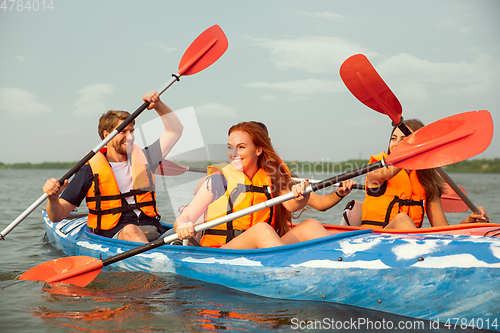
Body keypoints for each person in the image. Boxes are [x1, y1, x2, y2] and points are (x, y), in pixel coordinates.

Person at [42, 90, 183, 242]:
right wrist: (53, 198)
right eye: (123, 132)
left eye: (131, 131)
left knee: (191, 223)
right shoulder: (89, 169)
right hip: (115, 236)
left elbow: (175, 130)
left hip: (153, 230)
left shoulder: (146, 158)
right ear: (106, 135)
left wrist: (158, 105)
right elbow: (57, 216)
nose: (130, 137)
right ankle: (155, 263)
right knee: (131, 230)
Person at [173, 121, 335, 249]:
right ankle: (289, 273)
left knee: (311, 225)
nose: (233, 153)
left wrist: (302, 195)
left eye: (241, 147)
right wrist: (183, 225)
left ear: (258, 150)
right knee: (261, 229)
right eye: (230, 147)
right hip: (225, 250)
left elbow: (292, 205)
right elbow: (185, 216)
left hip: (261, 250)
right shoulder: (217, 180)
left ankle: (343, 263)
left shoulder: (272, 178)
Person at [361, 119, 489, 229]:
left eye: (404, 140)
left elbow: (441, 229)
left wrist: (469, 222)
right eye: (393, 138)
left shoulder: (426, 180)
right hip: (375, 239)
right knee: (402, 219)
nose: (396, 144)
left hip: (406, 242)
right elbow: (386, 174)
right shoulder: (376, 169)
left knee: (404, 220)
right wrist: (408, 152)